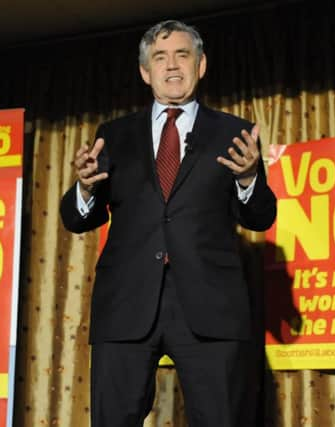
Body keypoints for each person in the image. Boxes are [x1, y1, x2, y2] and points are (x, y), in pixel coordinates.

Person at [60, 19, 276, 426]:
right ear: (145, 71)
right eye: (160, 58)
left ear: (201, 64)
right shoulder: (115, 135)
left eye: (182, 55)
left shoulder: (235, 133)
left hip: (210, 307)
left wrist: (248, 178)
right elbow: (76, 220)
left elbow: (260, 215)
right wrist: (85, 189)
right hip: (127, 304)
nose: (172, 66)